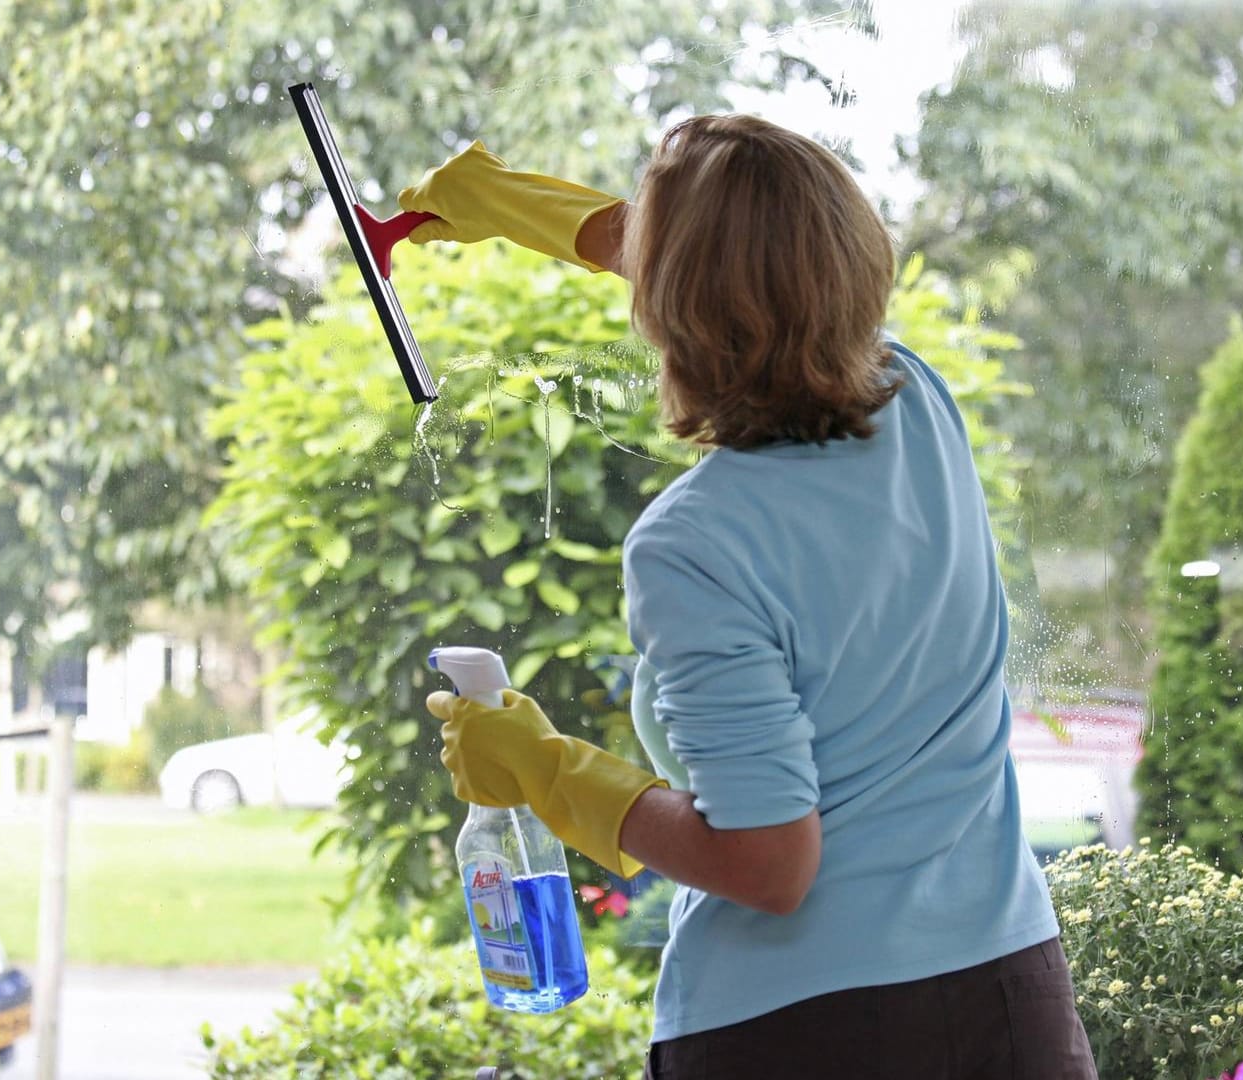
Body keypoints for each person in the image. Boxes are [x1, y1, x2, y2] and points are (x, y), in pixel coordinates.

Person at [403, 114, 1097, 1079]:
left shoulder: (697, 543)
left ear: (670, 312)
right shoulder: (916, 404)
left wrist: (551, 773)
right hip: (1012, 996)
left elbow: (770, 866)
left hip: (809, 1034)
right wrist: (516, 205)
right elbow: (760, 273)